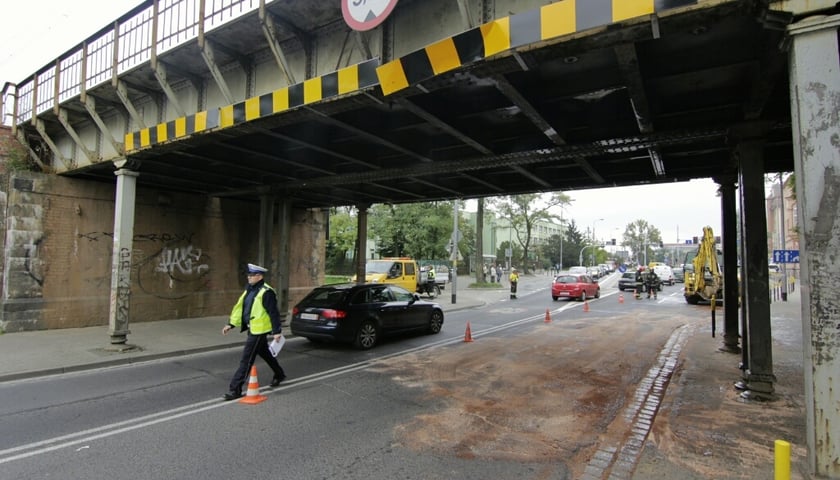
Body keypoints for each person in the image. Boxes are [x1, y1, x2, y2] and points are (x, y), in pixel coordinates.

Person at [222, 263, 286, 400]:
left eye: (251, 275)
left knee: (246, 360)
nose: (248, 278)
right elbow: (241, 308)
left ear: (259, 276)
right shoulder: (250, 289)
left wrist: (277, 331)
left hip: (259, 331)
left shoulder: (266, 292)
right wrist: (231, 324)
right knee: (266, 354)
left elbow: (273, 312)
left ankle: (235, 389)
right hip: (252, 329)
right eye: (248, 275)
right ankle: (279, 374)